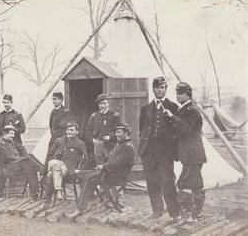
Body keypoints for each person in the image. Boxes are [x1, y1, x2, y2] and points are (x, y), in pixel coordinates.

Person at [68, 122, 135, 218]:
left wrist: (104, 166)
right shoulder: (120, 144)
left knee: (88, 178)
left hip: (116, 176)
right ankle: (90, 200)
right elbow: (111, 159)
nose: (116, 135)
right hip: (109, 172)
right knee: (81, 175)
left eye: (119, 132)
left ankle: (80, 208)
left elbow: (118, 162)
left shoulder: (128, 146)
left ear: (126, 133)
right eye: (116, 132)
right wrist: (103, 165)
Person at [138, 76, 181, 222]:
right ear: (153, 89)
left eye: (162, 87)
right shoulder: (146, 108)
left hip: (165, 153)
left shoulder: (174, 107)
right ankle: (157, 210)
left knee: (168, 182)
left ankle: (175, 213)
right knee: (151, 182)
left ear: (165, 89)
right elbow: (141, 129)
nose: (159, 90)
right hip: (148, 152)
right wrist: (143, 149)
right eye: (157, 87)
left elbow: (177, 130)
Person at [164, 82, 207, 221]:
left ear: (188, 94)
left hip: (192, 155)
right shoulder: (183, 110)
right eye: (176, 93)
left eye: (180, 93)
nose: (177, 95)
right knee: (197, 184)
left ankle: (187, 215)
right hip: (191, 155)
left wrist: (172, 117)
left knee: (184, 183)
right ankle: (196, 213)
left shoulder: (192, 111)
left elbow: (186, 129)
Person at [45, 121, 88, 204]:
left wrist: (79, 170)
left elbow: (85, 159)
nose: (69, 132)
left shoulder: (80, 143)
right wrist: (44, 168)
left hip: (68, 170)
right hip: (58, 165)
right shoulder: (59, 141)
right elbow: (49, 155)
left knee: (50, 174)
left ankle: (49, 199)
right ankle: (58, 191)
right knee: (54, 162)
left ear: (77, 132)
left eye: (72, 130)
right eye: (68, 130)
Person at [0, 125, 40, 200]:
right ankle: (43, 171)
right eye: (11, 134)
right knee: (29, 161)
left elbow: (21, 148)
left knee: (31, 164)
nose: (13, 136)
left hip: (16, 165)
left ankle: (35, 192)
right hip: (9, 167)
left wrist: (24, 156)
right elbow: (8, 158)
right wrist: (22, 158)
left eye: (13, 134)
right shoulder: (1, 144)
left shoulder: (10, 141)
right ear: (5, 133)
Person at [0, 94, 26, 189]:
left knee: (16, 160)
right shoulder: (0, 115)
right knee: (1, 162)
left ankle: (15, 183)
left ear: (11, 103)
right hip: (3, 144)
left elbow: (23, 128)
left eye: (8, 102)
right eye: (4, 102)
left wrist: (13, 131)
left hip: (15, 142)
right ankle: (0, 185)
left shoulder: (17, 114)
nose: (6, 104)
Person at [85, 93, 121, 166]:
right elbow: (88, 130)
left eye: (104, 103)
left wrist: (111, 137)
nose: (102, 106)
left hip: (111, 144)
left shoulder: (114, 115)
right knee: (100, 165)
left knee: (111, 164)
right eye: (100, 104)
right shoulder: (94, 116)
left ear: (108, 104)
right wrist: (93, 140)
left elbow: (119, 130)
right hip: (98, 144)